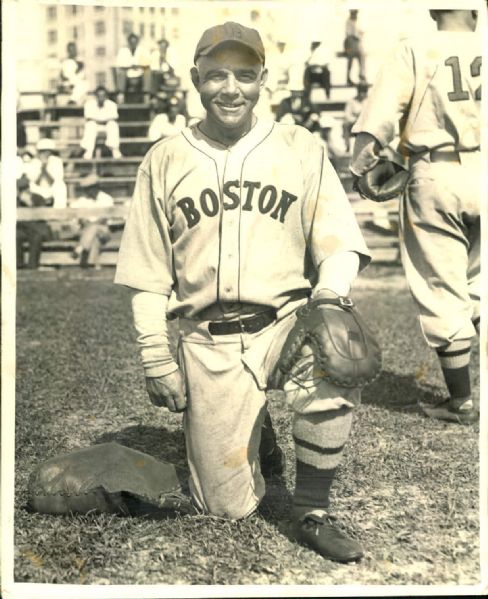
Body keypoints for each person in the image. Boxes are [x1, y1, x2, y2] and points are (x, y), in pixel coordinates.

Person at [115, 21, 371, 563]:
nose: (231, 89)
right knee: (226, 508)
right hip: (206, 341)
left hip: (284, 323)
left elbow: (341, 243)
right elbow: (145, 272)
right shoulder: (164, 158)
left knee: (335, 354)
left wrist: (328, 296)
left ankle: (311, 512)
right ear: (195, 80)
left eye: (245, 76)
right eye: (216, 76)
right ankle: (261, 434)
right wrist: (155, 358)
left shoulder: (299, 147)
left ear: (263, 80)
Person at [350, 10, 481, 424]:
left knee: (442, 285)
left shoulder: (414, 47)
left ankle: (461, 401)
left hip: (437, 170)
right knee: (478, 283)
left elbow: (382, 113)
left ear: (433, 9)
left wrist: (362, 160)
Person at [70, 173, 114, 268]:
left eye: (91, 188)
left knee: (94, 227)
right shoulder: (82, 200)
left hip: (103, 231)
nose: (89, 191)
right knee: (94, 239)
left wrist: (90, 224)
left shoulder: (106, 199)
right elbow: (78, 217)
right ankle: (95, 266)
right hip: (86, 232)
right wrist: (84, 221)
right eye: (87, 189)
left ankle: (79, 248)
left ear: (97, 187)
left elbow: (104, 219)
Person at [23, 138, 67, 209]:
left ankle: (59, 212)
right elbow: (35, 182)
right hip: (38, 189)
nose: (45, 154)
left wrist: (45, 169)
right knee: (31, 187)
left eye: (48, 151)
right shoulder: (34, 162)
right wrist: (42, 168)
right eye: (43, 151)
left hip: (51, 189)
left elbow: (53, 182)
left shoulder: (56, 161)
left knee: (61, 186)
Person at [80, 86, 122, 160]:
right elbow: (88, 118)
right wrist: (104, 120)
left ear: (106, 96)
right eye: (99, 95)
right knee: (90, 125)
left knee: (113, 125)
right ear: (96, 96)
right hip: (95, 126)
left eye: (103, 95)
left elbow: (114, 118)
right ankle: (89, 151)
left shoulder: (112, 104)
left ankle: (115, 150)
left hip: (107, 126)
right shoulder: (89, 104)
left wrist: (99, 120)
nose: (101, 97)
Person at [115, 33, 151, 102]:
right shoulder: (123, 51)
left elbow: (147, 64)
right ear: (128, 42)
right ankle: (121, 95)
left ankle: (146, 95)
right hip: (127, 75)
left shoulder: (143, 50)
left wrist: (138, 66)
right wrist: (130, 67)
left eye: (134, 42)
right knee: (121, 72)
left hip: (140, 74)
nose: (133, 44)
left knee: (147, 72)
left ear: (137, 42)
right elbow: (119, 64)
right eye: (131, 42)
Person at [342, 82, 368, 153]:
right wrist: (355, 120)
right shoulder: (352, 101)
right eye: (361, 92)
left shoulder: (369, 101)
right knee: (345, 125)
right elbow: (347, 114)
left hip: (366, 123)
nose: (362, 94)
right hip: (354, 123)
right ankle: (347, 146)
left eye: (364, 92)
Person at [344, 10, 366, 86]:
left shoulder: (356, 22)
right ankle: (348, 78)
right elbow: (349, 35)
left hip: (357, 43)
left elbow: (360, 32)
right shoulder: (349, 22)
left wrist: (360, 34)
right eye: (354, 13)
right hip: (350, 43)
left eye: (356, 13)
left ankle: (362, 75)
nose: (355, 15)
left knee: (362, 56)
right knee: (350, 60)